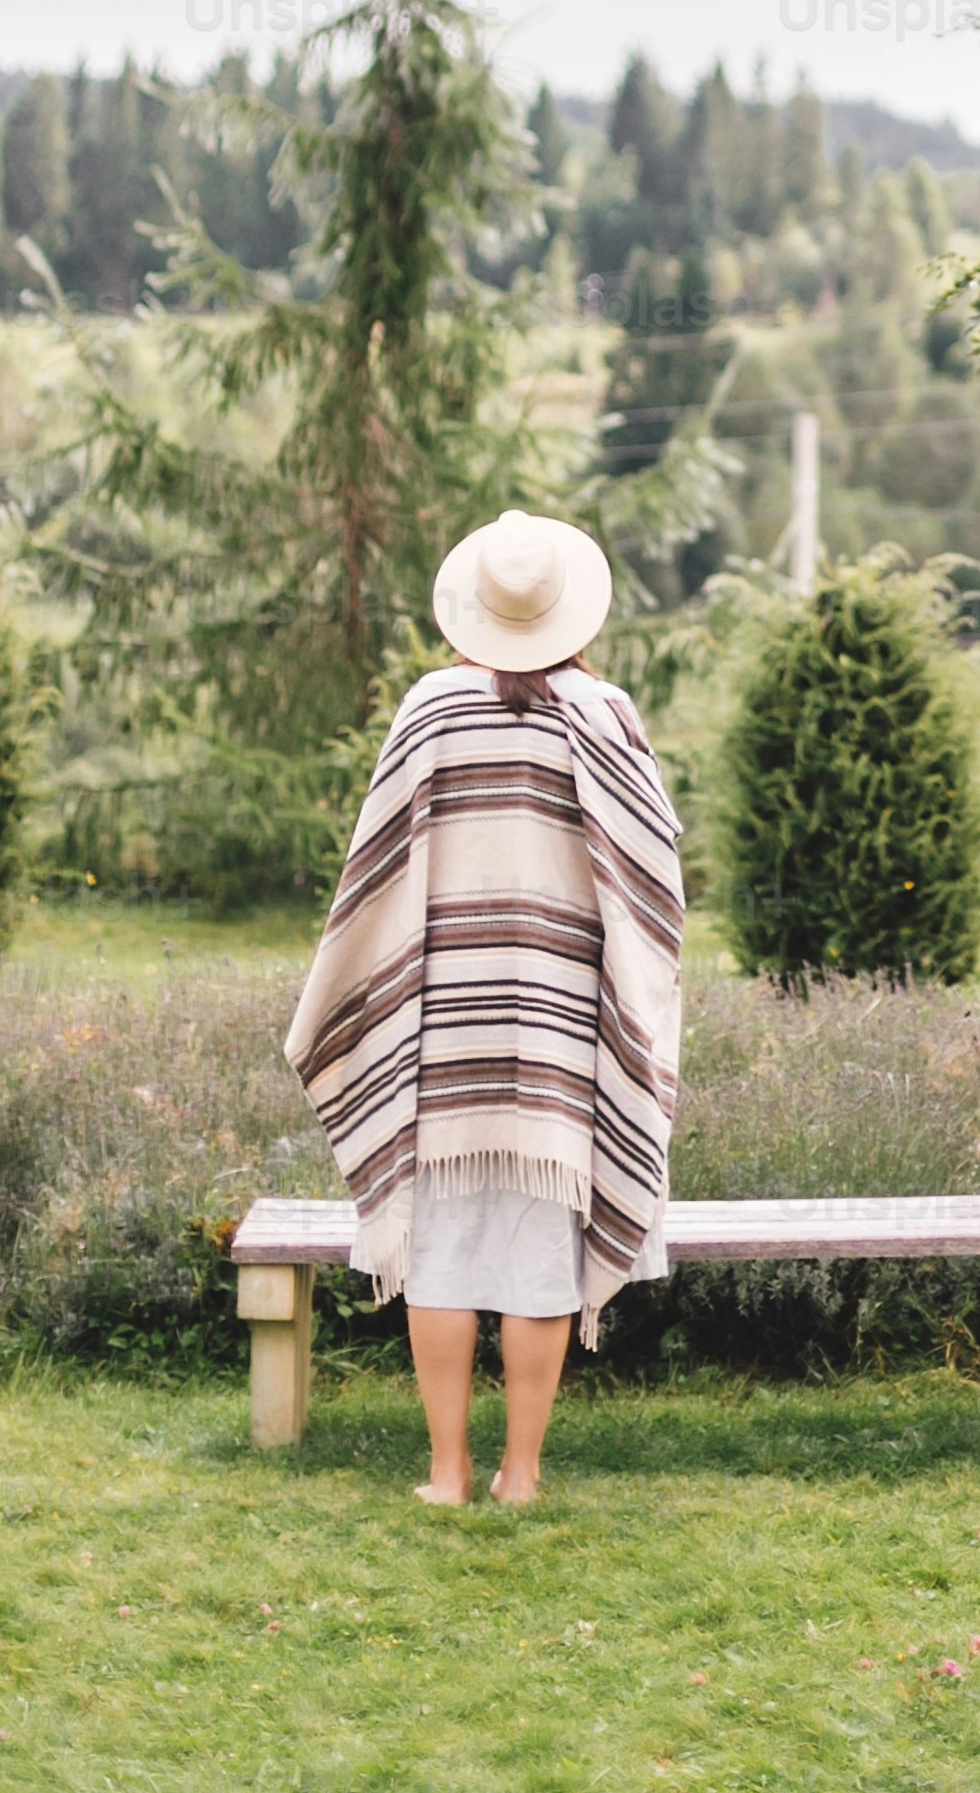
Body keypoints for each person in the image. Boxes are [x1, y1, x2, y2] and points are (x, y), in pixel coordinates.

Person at [286, 508, 684, 1505]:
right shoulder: (608, 716)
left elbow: (371, 878)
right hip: (560, 1031)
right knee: (543, 1252)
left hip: (441, 1031)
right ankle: (522, 1473)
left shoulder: (428, 709)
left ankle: (447, 1471)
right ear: (569, 614)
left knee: (446, 1254)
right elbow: (655, 889)